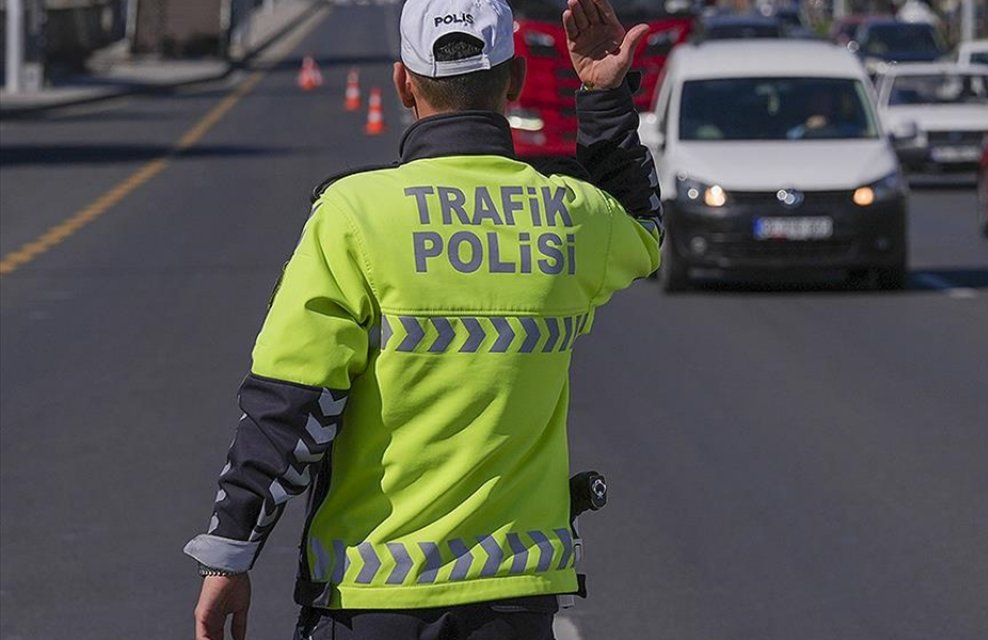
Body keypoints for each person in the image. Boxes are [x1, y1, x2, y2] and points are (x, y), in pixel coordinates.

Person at [184, 0, 662, 636]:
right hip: (515, 600)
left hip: (369, 597)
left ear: (403, 84)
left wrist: (230, 553)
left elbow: (292, 402)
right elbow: (643, 227)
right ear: (515, 79)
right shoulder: (568, 214)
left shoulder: (353, 214)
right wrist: (602, 97)